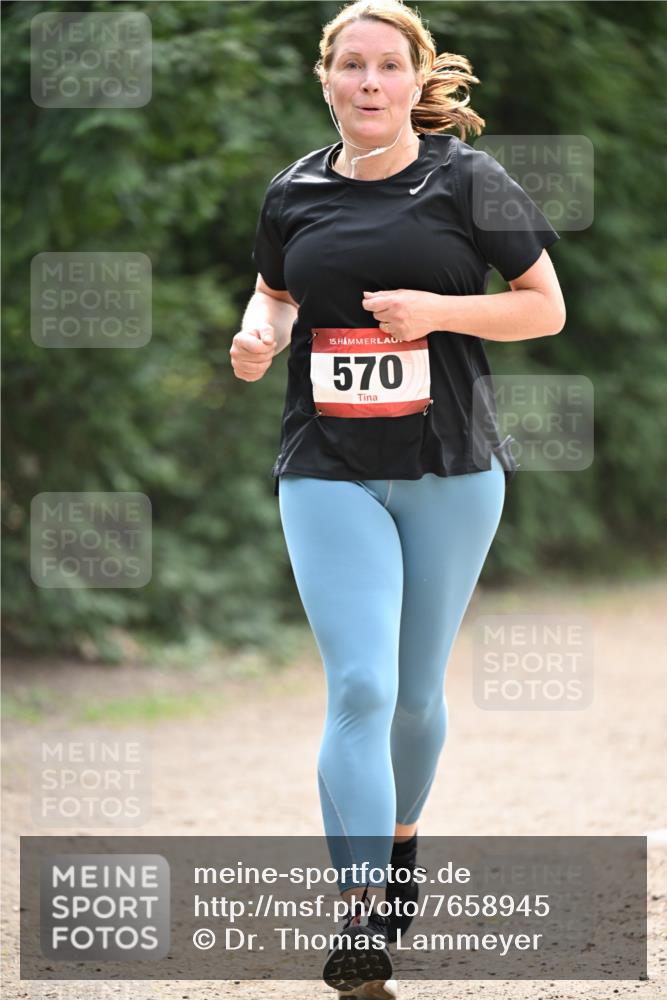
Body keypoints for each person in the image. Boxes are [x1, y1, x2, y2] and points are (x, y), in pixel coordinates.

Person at [231, 1, 565, 996]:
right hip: (326, 466)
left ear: (417, 81)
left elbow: (543, 306)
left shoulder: (466, 180)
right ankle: (360, 919)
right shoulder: (292, 191)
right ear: (325, 77)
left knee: (416, 696)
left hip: (452, 470)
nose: (369, 84)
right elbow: (276, 293)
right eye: (351, 66)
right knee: (361, 689)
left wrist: (437, 312)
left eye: (388, 67)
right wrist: (260, 334)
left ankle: (401, 834)